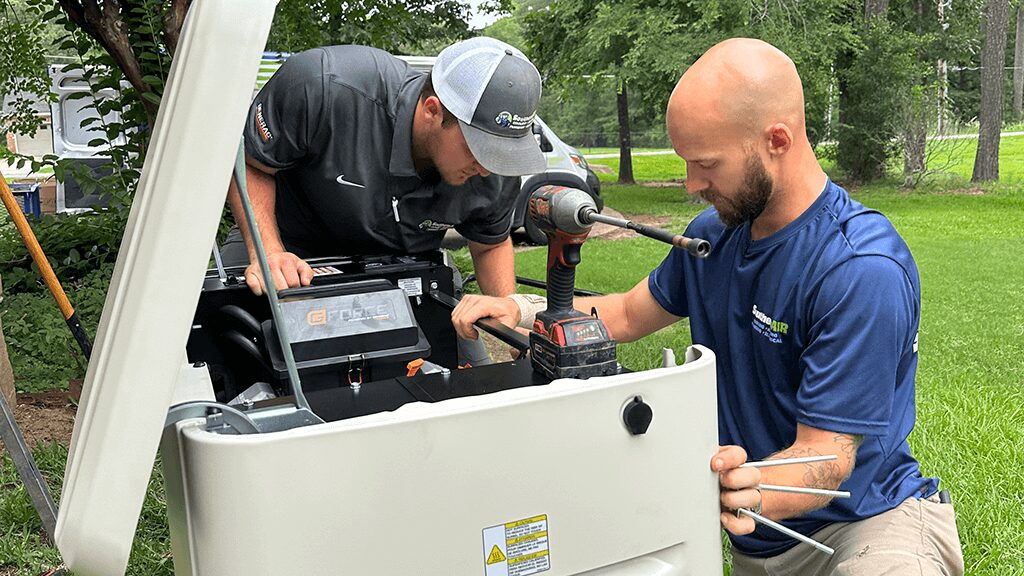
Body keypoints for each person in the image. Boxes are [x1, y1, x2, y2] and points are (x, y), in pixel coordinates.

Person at [451, 38, 964, 575]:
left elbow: (827, 460)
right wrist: (525, 311)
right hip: (761, 538)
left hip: (867, 527)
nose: (694, 185)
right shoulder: (714, 236)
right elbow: (627, 314)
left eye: (707, 164)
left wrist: (751, 484)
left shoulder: (858, 268)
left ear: (778, 140)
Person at [222, 36, 544, 300]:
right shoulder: (325, 85)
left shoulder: (491, 169)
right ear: (433, 111)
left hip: (401, 267)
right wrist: (268, 251)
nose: (487, 169)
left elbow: (490, 245)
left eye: (500, 152)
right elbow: (249, 163)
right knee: (222, 329)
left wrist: (507, 318)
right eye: (479, 148)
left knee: (472, 372)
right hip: (290, 245)